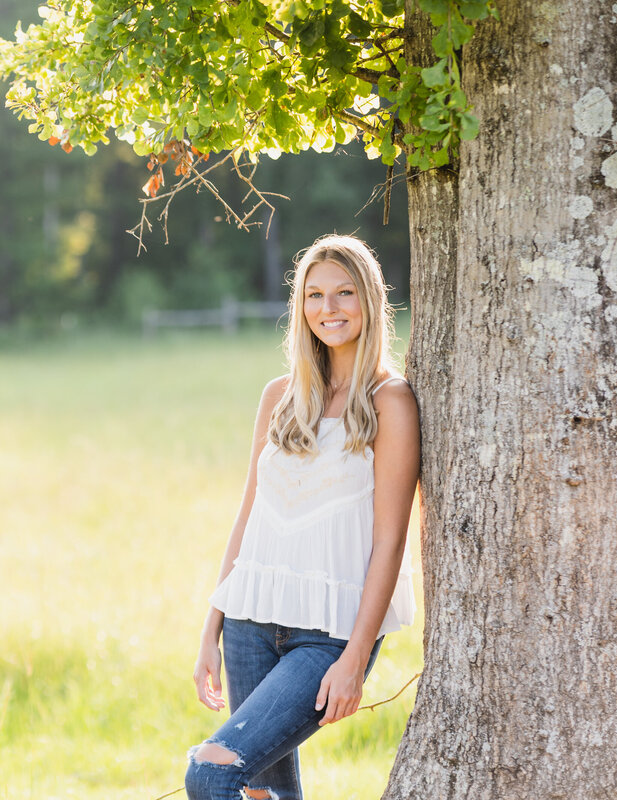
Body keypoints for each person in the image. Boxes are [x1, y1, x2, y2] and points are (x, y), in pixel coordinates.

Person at [184, 234, 419, 800]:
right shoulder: (280, 397)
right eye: (314, 295)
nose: (328, 309)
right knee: (268, 794)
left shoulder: (390, 401)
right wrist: (211, 626)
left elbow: (389, 541)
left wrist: (356, 658)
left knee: (211, 771)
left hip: (329, 633)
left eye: (344, 293)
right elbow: (249, 516)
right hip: (249, 622)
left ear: (370, 300)